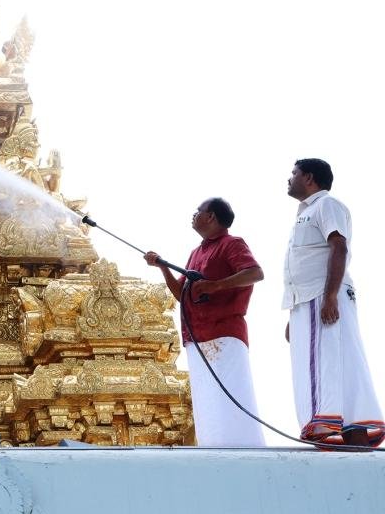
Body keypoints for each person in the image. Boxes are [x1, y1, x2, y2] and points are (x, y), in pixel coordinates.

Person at [144, 197, 265, 447]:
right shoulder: (196, 253)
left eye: (198, 211)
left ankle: (244, 447)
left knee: (230, 391)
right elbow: (181, 294)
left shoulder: (232, 243)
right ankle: (213, 447)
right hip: (196, 337)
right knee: (206, 397)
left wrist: (216, 285)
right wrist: (163, 267)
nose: (194, 215)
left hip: (224, 332)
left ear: (210, 216)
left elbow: (255, 273)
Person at [283, 158, 383, 448]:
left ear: (309, 178)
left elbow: (339, 246)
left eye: (294, 173)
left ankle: (328, 432)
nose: (289, 178)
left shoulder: (326, 205)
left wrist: (329, 297)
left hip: (323, 295)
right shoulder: (307, 212)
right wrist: (295, 315)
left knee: (325, 364)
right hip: (310, 300)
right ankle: (353, 437)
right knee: (341, 364)